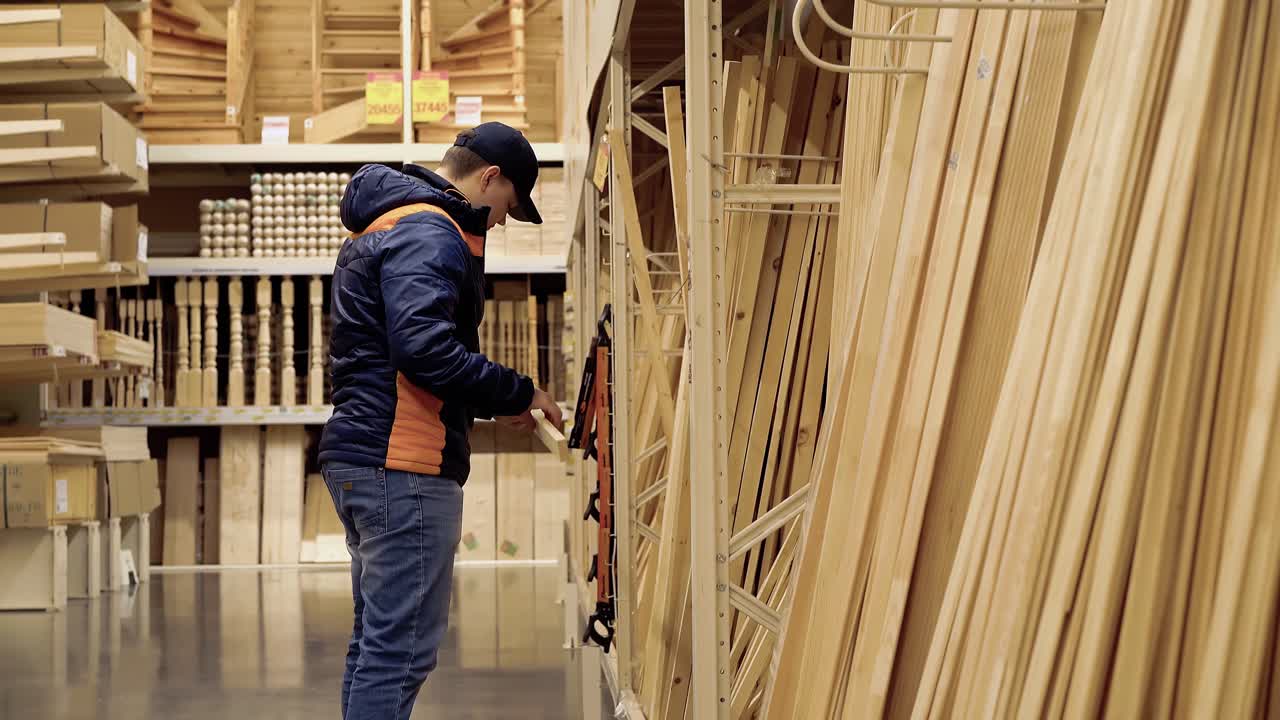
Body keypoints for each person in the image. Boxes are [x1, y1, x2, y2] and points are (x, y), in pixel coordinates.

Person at [317, 122, 564, 720]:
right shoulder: (431, 231)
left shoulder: (388, 222)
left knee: (376, 645)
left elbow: (402, 353)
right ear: (490, 178)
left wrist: (493, 402)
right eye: (507, 206)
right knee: (399, 654)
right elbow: (424, 351)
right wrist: (519, 391)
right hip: (403, 463)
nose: (499, 223)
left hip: (365, 457)